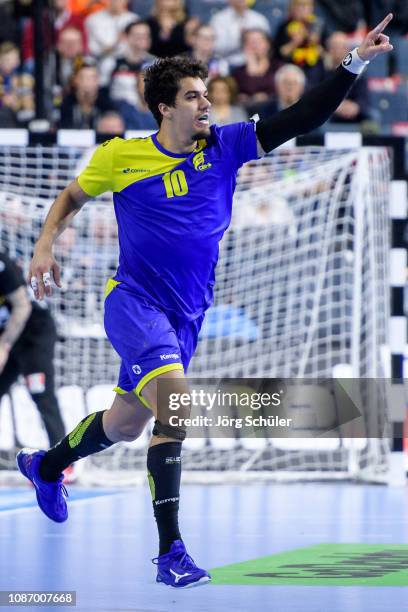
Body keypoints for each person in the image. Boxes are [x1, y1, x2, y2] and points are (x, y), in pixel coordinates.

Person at [18, 14, 394, 588]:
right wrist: (45, 245)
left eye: (205, 95)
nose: (205, 106)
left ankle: (44, 467)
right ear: (165, 108)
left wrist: (354, 62)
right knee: (177, 405)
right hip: (134, 301)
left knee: (123, 425)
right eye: (193, 97)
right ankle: (171, 552)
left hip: (187, 315)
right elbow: (70, 197)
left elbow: (303, 115)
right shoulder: (121, 155)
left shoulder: (226, 145)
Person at [0, 251, 66, 447]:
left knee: (41, 391)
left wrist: (4, 346)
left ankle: (62, 461)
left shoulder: (1, 264)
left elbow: (22, 306)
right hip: (6, 334)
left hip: (32, 332)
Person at [274, 0, 326, 87]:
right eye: (299, 6)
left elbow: (324, 50)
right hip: (291, 64)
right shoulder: (284, 26)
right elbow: (280, 53)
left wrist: (315, 44)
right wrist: (294, 43)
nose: (303, 9)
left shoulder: (317, 25)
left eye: (306, 6)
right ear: (292, 8)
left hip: (313, 66)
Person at [58, 60, 117, 129]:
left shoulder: (107, 106)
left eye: (93, 78)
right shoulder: (65, 106)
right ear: (75, 80)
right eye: (83, 78)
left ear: (98, 81)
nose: (88, 82)